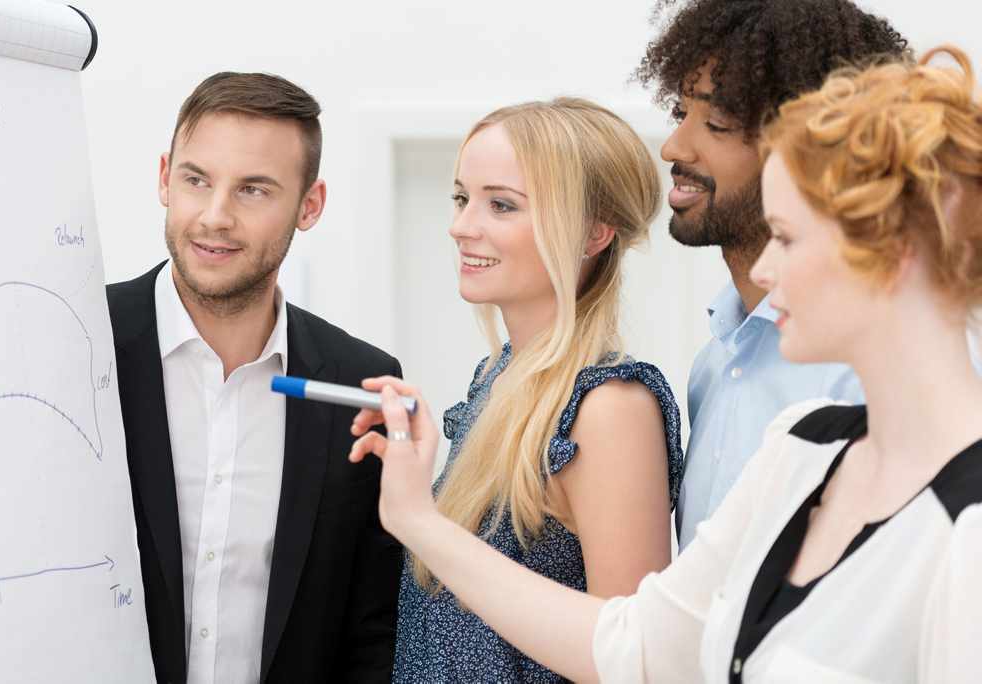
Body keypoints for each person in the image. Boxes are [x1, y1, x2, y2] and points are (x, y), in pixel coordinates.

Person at [351, 48, 982, 682]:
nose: (761, 272)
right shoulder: (798, 450)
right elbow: (636, 647)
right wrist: (415, 518)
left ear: (895, 255)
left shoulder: (966, 525)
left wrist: (420, 522)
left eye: (787, 238)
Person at [107, 73, 402, 683]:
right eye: (196, 180)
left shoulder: (361, 380)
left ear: (309, 204)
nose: (215, 216)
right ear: (165, 177)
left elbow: (370, 632)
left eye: (253, 190)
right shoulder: (81, 343)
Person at [377, 98, 683, 682]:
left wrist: (420, 520)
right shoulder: (496, 380)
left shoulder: (609, 406)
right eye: (463, 197)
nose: (461, 225)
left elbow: (633, 661)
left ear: (593, 231)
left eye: (501, 205)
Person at [634, 0, 911, 548]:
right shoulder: (712, 366)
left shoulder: (870, 375)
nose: (673, 147)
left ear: (810, 151)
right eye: (679, 114)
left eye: (715, 123)